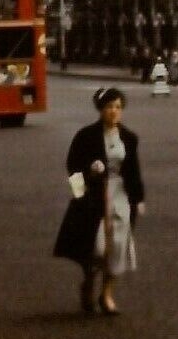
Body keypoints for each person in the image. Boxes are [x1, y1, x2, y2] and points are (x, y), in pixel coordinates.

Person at [53, 86, 145, 316]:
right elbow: (73, 166)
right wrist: (80, 190)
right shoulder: (86, 136)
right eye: (109, 107)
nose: (114, 112)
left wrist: (139, 198)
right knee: (96, 247)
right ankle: (88, 282)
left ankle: (107, 294)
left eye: (118, 107)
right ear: (100, 110)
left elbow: (133, 171)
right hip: (94, 196)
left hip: (120, 195)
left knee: (118, 246)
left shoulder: (129, 138)